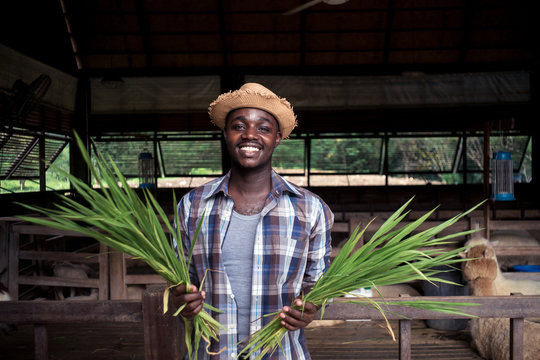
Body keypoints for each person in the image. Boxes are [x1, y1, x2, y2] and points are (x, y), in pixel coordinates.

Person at [172, 82, 334, 359]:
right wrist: (181, 299)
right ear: (225, 133)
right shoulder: (192, 206)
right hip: (212, 353)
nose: (250, 135)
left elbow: (319, 284)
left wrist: (311, 307)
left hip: (282, 352)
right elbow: (178, 278)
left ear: (278, 137)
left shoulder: (310, 208)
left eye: (263, 128)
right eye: (238, 126)